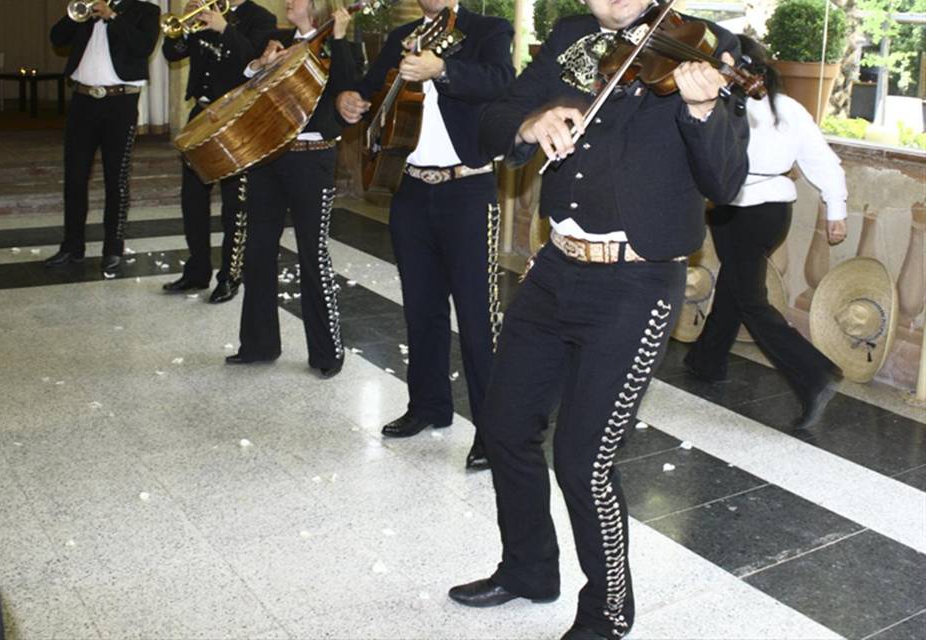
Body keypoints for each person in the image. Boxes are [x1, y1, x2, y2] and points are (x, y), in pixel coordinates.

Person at [447, 1, 750, 638]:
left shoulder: (704, 46)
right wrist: (532, 123)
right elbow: (495, 116)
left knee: (584, 460)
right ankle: (529, 569)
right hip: (557, 267)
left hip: (636, 283)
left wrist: (701, 110)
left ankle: (608, 611)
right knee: (503, 426)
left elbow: (725, 182)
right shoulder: (571, 37)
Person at [336, 0, 514, 470]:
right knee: (421, 309)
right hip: (412, 188)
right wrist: (350, 99)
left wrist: (443, 69)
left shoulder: (488, 29)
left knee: (478, 319)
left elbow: (501, 82)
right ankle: (429, 405)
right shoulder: (402, 37)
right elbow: (370, 87)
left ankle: (493, 433)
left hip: (468, 188)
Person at [684, 34, 847, 431]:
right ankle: (707, 360)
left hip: (737, 211)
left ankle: (815, 374)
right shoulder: (787, 106)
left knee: (750, 298)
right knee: (738, 284)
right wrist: (836, 209)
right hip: (774, 212)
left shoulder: (721, 103)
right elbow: (822, 161)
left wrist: (837, 208)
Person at [226, 0, 352, 379]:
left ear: (315, 6)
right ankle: (259, 345)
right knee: (258, 250)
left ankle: (328, 352)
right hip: (269, 158)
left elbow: (345, 88)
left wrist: (341, 38)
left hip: (312, 159)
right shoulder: (275, 39)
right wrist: (260, 64)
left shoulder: (335, 43)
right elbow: (244, 76)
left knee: (312, 253)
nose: (288, 2)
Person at [161, 0, 276, 303]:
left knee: (234, 203)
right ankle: (197, 270)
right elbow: (173, 55)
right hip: (200, 115)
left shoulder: (262, 18)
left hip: (235, 120)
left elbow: (253, 64)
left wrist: (224, 28)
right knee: (192, 198)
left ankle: (230, 276)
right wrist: (181, 31)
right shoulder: (205, 14)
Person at [45, 0, 160, 276]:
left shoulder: (146, 10)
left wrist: (112, 17)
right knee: (74, 177)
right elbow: (57, 39)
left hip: (119, 103)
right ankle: (72, 247)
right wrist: (77, 14)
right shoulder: (85, 10)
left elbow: (142, 47)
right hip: (82, 101)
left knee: (116, 179)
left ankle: (113, 249)